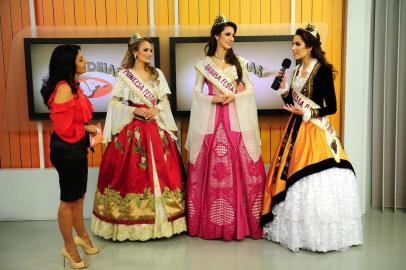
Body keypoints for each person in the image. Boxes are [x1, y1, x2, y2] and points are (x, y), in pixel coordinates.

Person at [260, 24, 363, 252]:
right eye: (293, 44)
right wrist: (284, 88)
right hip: (295, 128)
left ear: (309, 47)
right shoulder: (296, 70)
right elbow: (291, 103)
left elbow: (332, 107)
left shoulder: (323, 70)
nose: (293, 48)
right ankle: (296, 231)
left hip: (315, 129)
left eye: (297, 44)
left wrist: (308, 112)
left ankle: (322, 233)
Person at [91, 33, 186, 241]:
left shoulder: (157, 74)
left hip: (155, 127)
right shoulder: (124, 76)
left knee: (165, 171)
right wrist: (134, 111)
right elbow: (114, 103)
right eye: (145, 50)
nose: (149, 53)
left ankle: (165, 221)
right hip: (133, 130)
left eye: (150, 50)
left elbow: (164, 101)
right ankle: (132, 222)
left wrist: (157, 109)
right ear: (135, 52)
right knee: (130, 174)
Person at [185, 16, 266, 241]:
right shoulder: (204, 64)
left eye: (233, 34)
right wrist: (211, 99)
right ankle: (210, 224)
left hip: (235, 121)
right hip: (212, 121)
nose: (232, 38)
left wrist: (234, 95)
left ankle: (243, 224)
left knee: (244, 165)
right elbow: (196, 93)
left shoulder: (240, 62)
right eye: (228, 34)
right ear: (217, 36)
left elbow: (250, 90)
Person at [41, 44, 99, 269]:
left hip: (75, 149)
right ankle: (68, 245)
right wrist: (87, 129)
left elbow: (73, 121)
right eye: (81, 59)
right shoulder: (64, 88)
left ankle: (81, 236)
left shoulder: (74, 85)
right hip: (66, 151)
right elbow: (64, 129)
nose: (86, 62)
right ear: (69, 64)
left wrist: (86, 129)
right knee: (68, 201)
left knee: (78, 196)